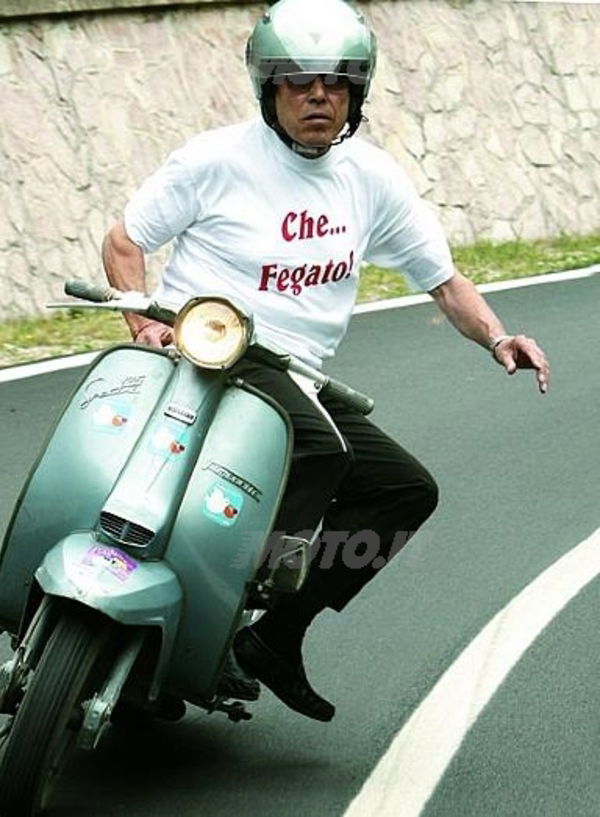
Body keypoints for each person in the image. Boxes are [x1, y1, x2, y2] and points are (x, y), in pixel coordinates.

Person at [100, 0, 550, 722]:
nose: (319, 97)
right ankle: (187, 603)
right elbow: (124, 241)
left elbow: (444, 280)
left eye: (337, 84)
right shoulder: (216, 160)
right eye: (299, 82)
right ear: (268, 89)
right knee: (316, 446)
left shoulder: (370, 180)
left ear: (357, 95)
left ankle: (271, 633)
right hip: (206, 352)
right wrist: (141, 322)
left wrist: (499, 336)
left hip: (298, 375)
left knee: (405, 489)